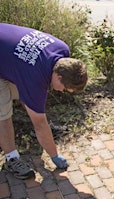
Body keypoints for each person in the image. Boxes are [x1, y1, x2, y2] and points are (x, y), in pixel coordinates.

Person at [0, 23, 88, 179]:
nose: (62, 91)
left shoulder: (62, 50)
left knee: (26, 95)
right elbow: (40, 124)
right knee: (3, 112)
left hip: (6, 53)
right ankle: (11, 158)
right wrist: (54, 155)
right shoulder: (35, 78)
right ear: (58, 76)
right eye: (64, 88)